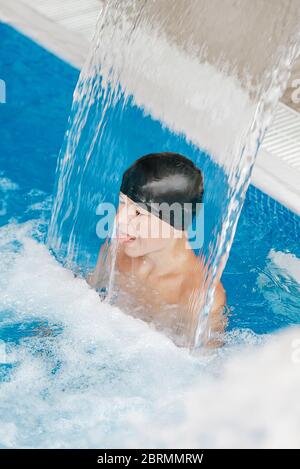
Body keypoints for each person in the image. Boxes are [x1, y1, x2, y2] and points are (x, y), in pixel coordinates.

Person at [87, 152, 227, 347]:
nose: (119, 220)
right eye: (121, 203)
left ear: (177, 224)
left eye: (137, 212)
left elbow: (202, 368)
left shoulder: (197, 296)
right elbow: (83, 300)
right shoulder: (118, 249)